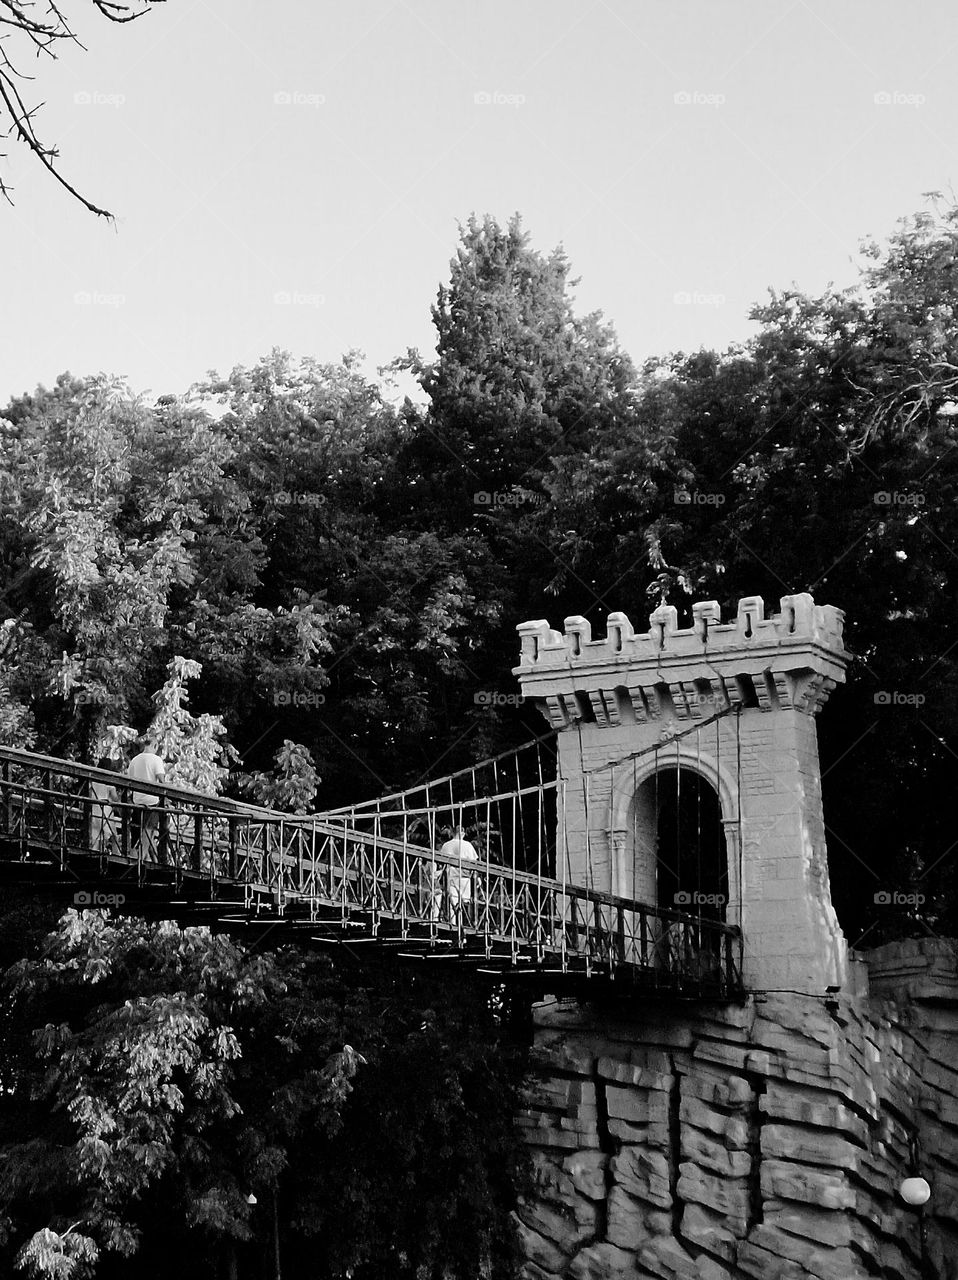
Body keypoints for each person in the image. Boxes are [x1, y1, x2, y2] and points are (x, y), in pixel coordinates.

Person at [126, 744, 167, 861]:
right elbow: (161, 780)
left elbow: (129, 780)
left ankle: (154, 860)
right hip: (151, 801)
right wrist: (167, 797)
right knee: (148, 830)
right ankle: (141, 860)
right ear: (154, 745)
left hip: (137, 800)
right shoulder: (156, 759)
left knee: (142, 831)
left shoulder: (134, 760)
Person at [440, 825, 479, 929]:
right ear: (463, 833)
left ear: (453, 833)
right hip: (463, 878)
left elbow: (441, 862)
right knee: (465, 904)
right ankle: (466, 925)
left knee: (452, 901)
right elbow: (474, 863)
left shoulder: (445, 845)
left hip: (450, 877)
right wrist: (477, 878)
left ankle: (452, 924)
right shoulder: (467, 845)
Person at [89, 757, 119, 853]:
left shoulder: (93, 780)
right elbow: (115, 798)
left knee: (96, 837)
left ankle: (93, 856)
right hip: (105, 810)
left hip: (94, 809)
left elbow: (89, 794)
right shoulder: (109, 782)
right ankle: (116, 856)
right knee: (114, 836)